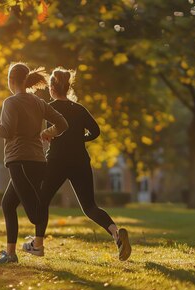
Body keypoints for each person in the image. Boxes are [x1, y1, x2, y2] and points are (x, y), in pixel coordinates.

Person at [23, 68, 131, 261]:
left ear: (52, 88)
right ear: (68, 86)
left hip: (57, 161)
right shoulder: (79, 109)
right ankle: (116, 233)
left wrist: (47, 135)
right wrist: (78, 139)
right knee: (90, 206)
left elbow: (37, 130)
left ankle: (37, 245)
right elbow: (96, 131)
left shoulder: (49, 107)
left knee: (42, 201)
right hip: (80, 161)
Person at [0, 63, 69, 264]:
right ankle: (10, 254)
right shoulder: (38, 102)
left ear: (11, 81)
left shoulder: (11, 102)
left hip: (19, 160)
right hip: (37, 160)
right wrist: (48, 133)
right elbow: (63, 123)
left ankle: (34, 245)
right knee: (8, 204)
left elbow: (6, 132)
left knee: (35, 212)